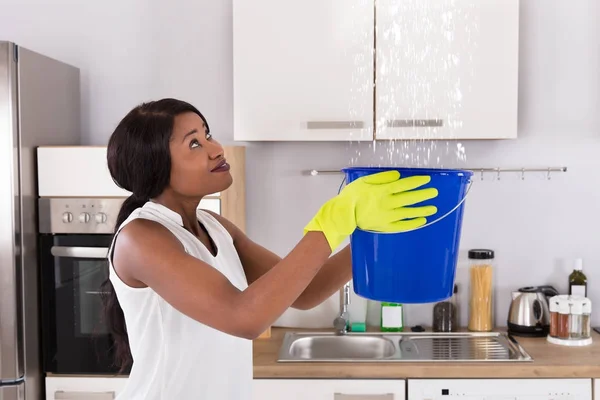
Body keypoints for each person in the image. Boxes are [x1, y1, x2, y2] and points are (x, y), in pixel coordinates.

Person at [100, 98, 439, 399]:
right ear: (155, 166)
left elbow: (306, 291)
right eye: (194, 144)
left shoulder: (214, 227)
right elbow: (243, 317)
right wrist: (332, 222)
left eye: (207, 134)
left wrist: (369, 235)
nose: (216, 148)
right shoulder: (141, 238)